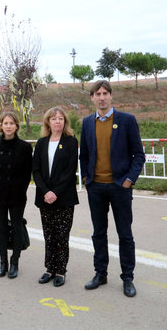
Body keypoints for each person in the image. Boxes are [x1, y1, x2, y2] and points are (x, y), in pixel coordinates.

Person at [80, 80, 145, 297]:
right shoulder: (87, 122)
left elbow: (139, 155)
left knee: (124, 234)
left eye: (105, 93)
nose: (101, 97)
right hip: (96, 187)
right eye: (97, 93)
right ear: (92, 98)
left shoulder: (127, 120)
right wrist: (88, 179)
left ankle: (127, 277)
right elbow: (85, 155)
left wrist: (129, 180)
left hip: (120, 187)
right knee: (99, 233)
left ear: (111, 96)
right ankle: (101, 274)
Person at [32, 107, 79, 287]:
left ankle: (61, 270)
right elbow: (36, 170)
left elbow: (69, 172)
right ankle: (49, 269)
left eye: (60, 118)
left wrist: (55, 192)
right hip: (45, 197)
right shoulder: (42, 142)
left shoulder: (71, 142)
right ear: (48, 122)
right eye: (54, 119)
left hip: (64, 197)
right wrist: (45, 191)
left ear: (65, 122)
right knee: (49, 235)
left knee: (62, 236)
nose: (57, 121)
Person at [0, 111, 32, 279]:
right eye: (5, 123)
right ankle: (3, 262)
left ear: (16, 126)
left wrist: (20, 190)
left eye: (11, 123)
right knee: (1, 228)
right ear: (1, 126)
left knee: (16, 226)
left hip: (17, 194)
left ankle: (15, 262)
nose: (8, 126)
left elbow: (28, 173)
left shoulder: (25, 147)